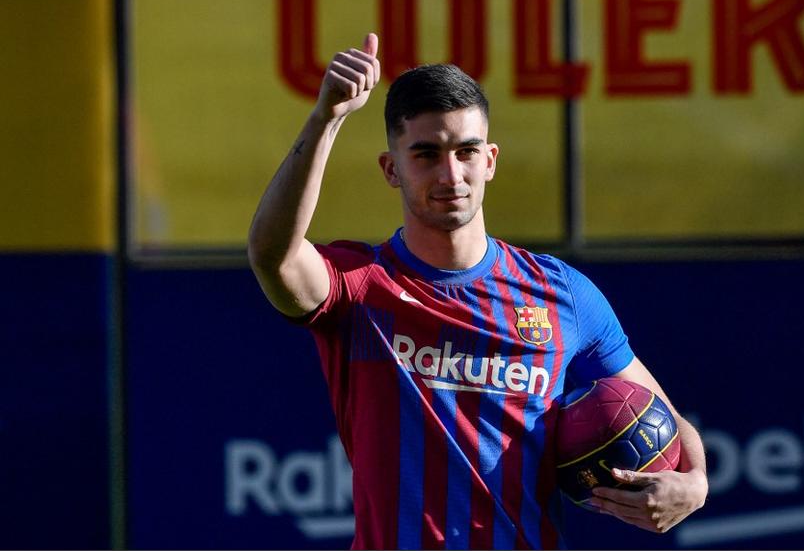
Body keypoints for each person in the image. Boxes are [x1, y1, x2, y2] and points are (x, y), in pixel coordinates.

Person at [248, 33, 707, 549]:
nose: (451, 174)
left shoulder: (563, 295)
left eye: (466, 152)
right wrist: (326, 117)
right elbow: (274, 255)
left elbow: (659, 411)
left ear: (489, 159)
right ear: (390, 169)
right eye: (426, 154)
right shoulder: (359, 288)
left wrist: (696, 481)